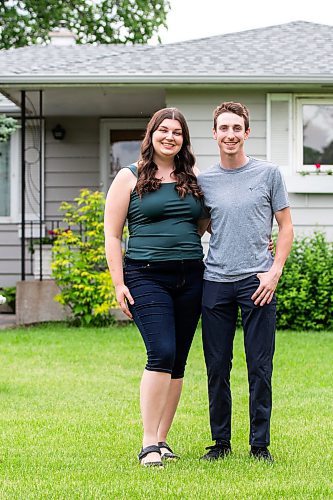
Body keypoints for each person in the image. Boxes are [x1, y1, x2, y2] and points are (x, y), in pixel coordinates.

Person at [104, 108, 205, 467]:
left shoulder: (191, 178)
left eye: (177, 132)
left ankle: (163, 440)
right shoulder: (128, 177)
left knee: (177, 361)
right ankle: (148, 443)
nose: (170, 137)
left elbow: (205, 224)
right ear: (151, 135)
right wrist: (119, 283)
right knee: (160, 352)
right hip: (146, 276)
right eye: (164, 130)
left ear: (184, 140)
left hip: (192, 276)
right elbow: (113, 235)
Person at [198, 101, 294, 462]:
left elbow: (286, 227)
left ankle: (259, 445)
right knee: (217, 366)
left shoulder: (268, 174)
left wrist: (274, 271)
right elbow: (200, 228)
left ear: (247, 133)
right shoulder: (205, 181)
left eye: (236, 128)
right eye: (224, 128)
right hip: (216, 282)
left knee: (260, 366)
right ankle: (220, 443)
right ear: (215, 134)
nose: (230, 135)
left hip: (258, 282)